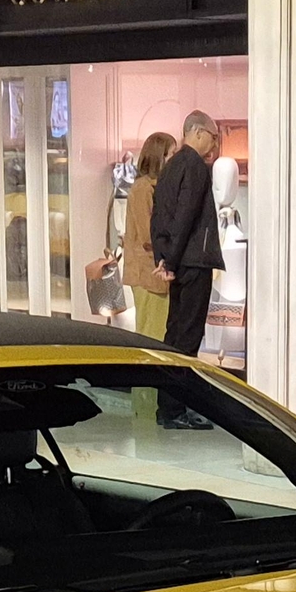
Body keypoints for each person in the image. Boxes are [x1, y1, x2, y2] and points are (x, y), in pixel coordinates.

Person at [148, 109, 224, 428]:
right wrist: (174, 259)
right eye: (213, 136)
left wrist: (164, 259)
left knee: (174, 333)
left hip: (179, 262)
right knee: (187, 336)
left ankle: (169, 407)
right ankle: (176, 409)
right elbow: (185, 216)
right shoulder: (194, 165)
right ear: (196, 132)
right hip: (193, 263)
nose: (215, 144)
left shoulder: (170, 166)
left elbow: (160, 217)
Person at [121, 130, 175, 343]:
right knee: (152, 334)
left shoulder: (155, 188)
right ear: (159, 157)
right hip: (148, 273)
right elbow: (147, 234)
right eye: (171, 154)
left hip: (154, 272)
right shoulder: (143, 189)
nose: (174, 159)